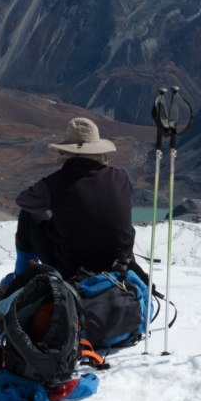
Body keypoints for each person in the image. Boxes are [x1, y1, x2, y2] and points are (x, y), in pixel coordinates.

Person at [12, 117, 135, 280]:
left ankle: (22, 278)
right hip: (120, 267)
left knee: (29, 216)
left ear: (67, 151)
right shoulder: (121, 177)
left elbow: (24, 201)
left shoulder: (56, 183)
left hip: (74, 272)